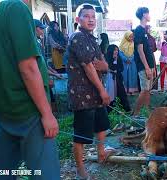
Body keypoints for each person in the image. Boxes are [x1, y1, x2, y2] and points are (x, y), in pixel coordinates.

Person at [0, 0, 60, 179]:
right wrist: (47, 114)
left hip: (5, 107)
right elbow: (28, 67)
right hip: (29, 109)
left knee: (3, 173)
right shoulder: (15, 7)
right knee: (45, 174)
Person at [67, 4, 114, 179]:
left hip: (95, 93)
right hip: (82, 95)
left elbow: (102, 64)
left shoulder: (92, 39)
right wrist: (103, 91)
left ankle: (101, 153)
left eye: (93, 16)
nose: (91, 19)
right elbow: (89, 66)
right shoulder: (78, 37)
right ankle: (81, 171)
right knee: (81, 135)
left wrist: (104, 66)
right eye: (86, 16)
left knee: (101, 125)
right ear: (77, 19)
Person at [34, 19, 63, 112]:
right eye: (40, 28)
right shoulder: (34, 44)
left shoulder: (38, 42)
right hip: (39, 79)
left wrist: (52, 71)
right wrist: (54, 75)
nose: (42, 31)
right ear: (35, 29)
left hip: (44, 75)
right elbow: (38, 66)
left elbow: (43, 63)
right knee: (46, 100)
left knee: (51, 97)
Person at [132, 7, 155, 116]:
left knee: (148, 90)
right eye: (148, 13)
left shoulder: (145, 30)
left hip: (149, 65)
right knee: (144, 90)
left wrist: (152, 67)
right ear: (144, 14)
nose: (150, 15)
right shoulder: (139, 30)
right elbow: (140, 50)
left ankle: (146, 112)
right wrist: (146, 67)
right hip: (143, 66)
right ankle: (135, 113)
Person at [106, 44, 131, 112]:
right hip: (110, 78)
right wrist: (114, 63)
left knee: (121, 92)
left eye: (117, 50)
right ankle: (111, 108)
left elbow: (121, 68)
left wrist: (116, 60)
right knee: (111, 93)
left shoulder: (119, 58)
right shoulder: (107, 57)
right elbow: (109, 68)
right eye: (114, 50)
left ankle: (124, 108)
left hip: (118, 78)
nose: (116, 51)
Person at [145, 25, 158, 90]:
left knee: (153, 71)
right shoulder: (142, 37)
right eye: (148, 29)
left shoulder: (152, 38)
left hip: (150, 56)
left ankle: (152, 87)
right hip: (144, 56)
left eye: (149, 29)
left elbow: (155, 49)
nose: (149, 30)